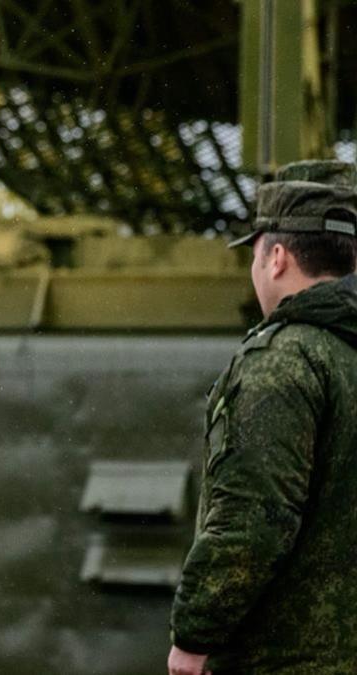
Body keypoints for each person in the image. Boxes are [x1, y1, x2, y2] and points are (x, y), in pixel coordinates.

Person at [168, 160, 357, 675]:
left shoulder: (283, 361)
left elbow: (253, 520)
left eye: (254, 253)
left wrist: (194, 636)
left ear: (276, 258)